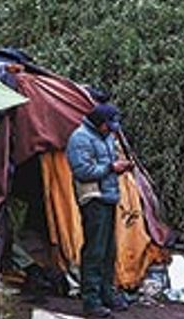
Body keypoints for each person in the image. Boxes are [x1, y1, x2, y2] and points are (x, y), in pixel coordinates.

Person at [66, 103, 133, 318]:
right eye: (108, 125)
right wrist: (111, 168)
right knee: (95, 250)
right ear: (99, 123)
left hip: (109, 196)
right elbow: (82, 171)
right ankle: (91, 302)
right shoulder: (80, 138)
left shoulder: (106, 138)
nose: (111, 129)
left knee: (108, 250)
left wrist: (119, 167)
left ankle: (107, 294)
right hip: (93, 198)